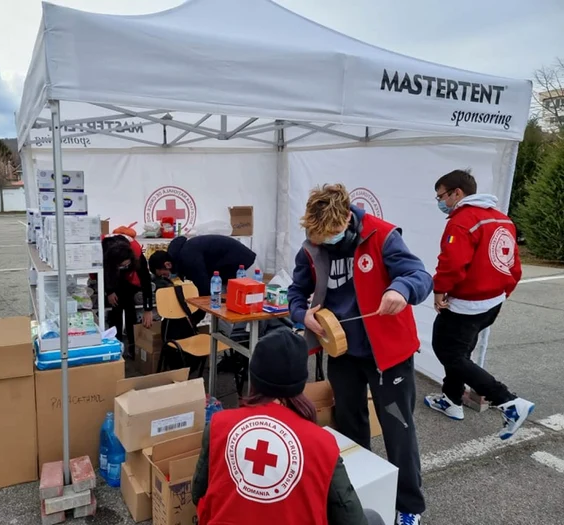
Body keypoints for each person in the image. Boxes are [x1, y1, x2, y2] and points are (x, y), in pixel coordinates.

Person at [287, 183, 432, 525]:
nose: (327, 239)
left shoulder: (382, 236)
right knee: (350, 423)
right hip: (342, 353)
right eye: (320, 235)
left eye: (333, 233)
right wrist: (301, 314)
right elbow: (297, 290)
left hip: (388, 357)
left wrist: (401, 288)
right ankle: (358, 492)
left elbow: (420, 275)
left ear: (347, 218)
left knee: (398, 428)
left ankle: (409, 506)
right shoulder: (312, 246)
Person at [192, 329, 384, 525]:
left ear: (254, 375)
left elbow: (196, 494)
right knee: (373, 518)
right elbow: (352, 520)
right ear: (300, 383)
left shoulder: (219, 425)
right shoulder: (321, 443)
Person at [425, 169, 534, 439]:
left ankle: (508, 401)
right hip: (491, 303)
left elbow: (452, 263)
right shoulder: (501, 218)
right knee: (461, 353)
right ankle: (451, 401)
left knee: (449, 352)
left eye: (441, 196)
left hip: (467, 303)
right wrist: (501, 292)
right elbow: (513, 266)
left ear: (456, 193)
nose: (440, 202)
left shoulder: (463, 220)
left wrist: (440, 290)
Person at [150, 234, 257, 325]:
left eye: (163, 274)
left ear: (167, 264)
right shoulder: (181, 255)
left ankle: (240, 342)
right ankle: (228, 341)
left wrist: (192, 320)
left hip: (244, 268)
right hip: (229, 269)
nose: (165, 277)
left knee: (236, 313)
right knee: (222, 311)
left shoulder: (188, 258)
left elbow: (204, 292)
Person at [101, 232, 153, 357]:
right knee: (115, 307)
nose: (125, 267)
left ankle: (133, 345)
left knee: (129, 304)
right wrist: (110, 291)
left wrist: (148, 309)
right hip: (109, 271)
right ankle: (115, 344)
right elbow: (103, 274)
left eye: (127, 264)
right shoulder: (102, 252)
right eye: (122, 265)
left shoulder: (136, 252)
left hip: (128, 279)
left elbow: (146, 280)